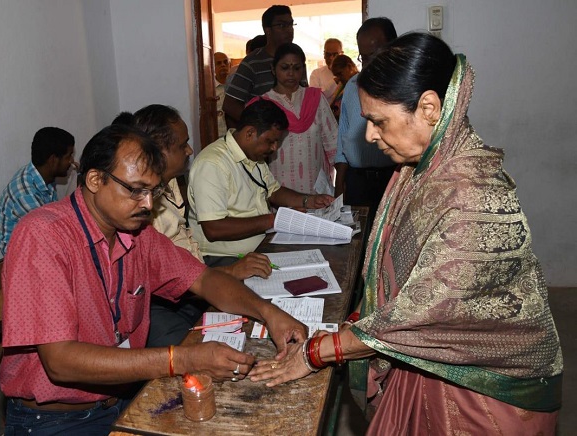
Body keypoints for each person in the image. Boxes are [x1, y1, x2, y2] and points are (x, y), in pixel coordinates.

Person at [250, 32, 563, 434]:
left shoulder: (473, 196)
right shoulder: (421, 170)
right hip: (427, 359)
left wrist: (315, 353)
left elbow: (420, 316)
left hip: (482, 393)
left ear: (429, 108)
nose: (370, 136)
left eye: (379, 121)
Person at [0, 124, 307, 434]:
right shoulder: (43, 236)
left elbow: (204, 280)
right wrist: (182, 358)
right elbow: (60, 360)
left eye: (153, 191)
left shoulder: (137, 234)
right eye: (136, 190)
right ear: (95, 179)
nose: (147, 204)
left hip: (122, 396)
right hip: (58, 421)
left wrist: (271, 313)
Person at [113, 105, 273, 347]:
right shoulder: (135, 206)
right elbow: (160, 276)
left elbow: (185, 255)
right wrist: (230, 272)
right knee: (199, 352)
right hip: (156, 303)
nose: (189, 150)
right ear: (158, 150)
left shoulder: (170, 182)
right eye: (182, 145)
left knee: (250, 315)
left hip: (189, 283)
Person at [188, 99, 334, 267]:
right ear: (250, 133)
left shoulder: (253, 156)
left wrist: (309, 201)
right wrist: (274, 220)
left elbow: (273, 191)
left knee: (316, 260)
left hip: (258, 247)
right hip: (222, 258)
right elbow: (213, 228)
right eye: (270, 141)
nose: (274, 148)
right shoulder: (213, 164)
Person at [250, 43, 337, 194]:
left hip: (316, 192)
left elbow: (334, 144)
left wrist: (341, 185)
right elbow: (253, 154)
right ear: (273, 69)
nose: (291, 73)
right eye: (284, 67)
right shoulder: (263, 104)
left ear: (303, 70)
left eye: (296, 68)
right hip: (278, 193)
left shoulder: (315, 98)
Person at [334, 18, 397, 216]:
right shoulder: (353, 86)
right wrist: (340, 182)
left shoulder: (403, 86)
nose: (369, 63)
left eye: (374, 55)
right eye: (364, 57)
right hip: (357, 180)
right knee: (357, 240)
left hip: (393, 177)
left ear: (392, 48)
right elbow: (343, 136)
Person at [0, 126, 76, 255]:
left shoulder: (41, 176)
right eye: (69, 156)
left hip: (39, 246)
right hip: (22, 261)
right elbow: (56, 234)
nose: (72, 162)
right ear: (53, 160)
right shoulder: (26, 195)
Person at [223, 5, 306, 125]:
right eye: (282, 25)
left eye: (291, 24)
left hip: (298, 131)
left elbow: (304, 94)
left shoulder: (297, 58)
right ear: (267, 30)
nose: (289, 29)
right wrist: (258, 126)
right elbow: (230, 105)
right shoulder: (252, 63)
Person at [309, 38, 343, 104]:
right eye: (328, 54)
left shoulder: (349, 74)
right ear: (324, 55)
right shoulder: (316, 74)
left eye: (335, 54)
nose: (331, 58)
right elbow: (315, 97)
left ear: (341, 54)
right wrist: (335, 81)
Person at [329, 54, 358, 121]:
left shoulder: (358, 84)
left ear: (349, 67)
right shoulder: (342, 85)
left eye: (340, 74)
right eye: (336, 75)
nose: (338, 78)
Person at [214, 52, 231, 137]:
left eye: (225, 62)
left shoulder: (235, 85)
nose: (223, 65)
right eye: (218, 63)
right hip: (217, 136)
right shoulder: (210, 89)